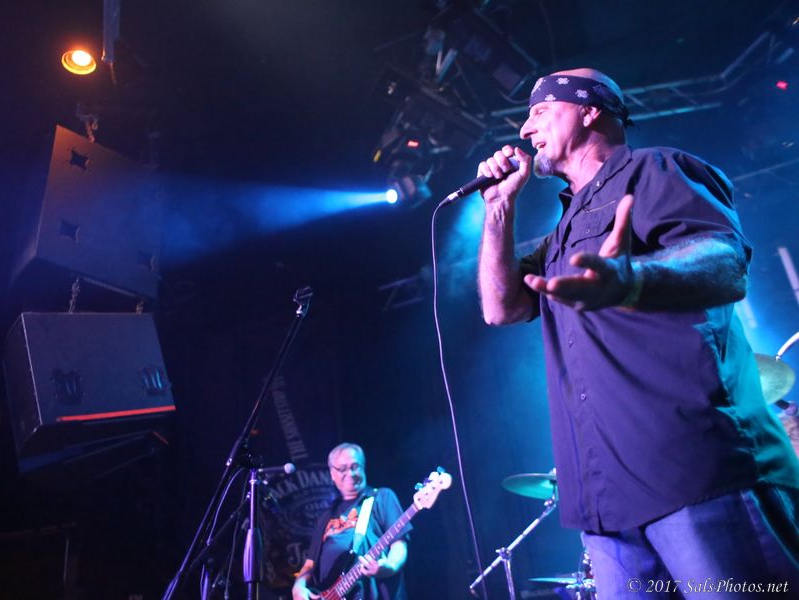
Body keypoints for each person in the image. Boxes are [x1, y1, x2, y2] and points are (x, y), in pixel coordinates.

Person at [476, 68, 799, 597]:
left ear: (589, 110)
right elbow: (500, 307)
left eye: (539, 111)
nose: (525, 129)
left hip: (692, 473)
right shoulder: (560, 234)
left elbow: (724, 263)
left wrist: (634, 279)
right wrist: (498, 208)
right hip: (604, 502)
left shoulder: (656, 169)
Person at [292, 443, 410, 600]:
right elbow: (310, 563)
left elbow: (399, 544)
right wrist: (298, 586)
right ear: (332, 474)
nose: (351, 473)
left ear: (363, 467)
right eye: (342, 469)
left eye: (355, 466)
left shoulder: (381, 498)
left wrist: (389, 566)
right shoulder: (326, 516)